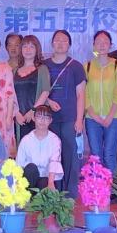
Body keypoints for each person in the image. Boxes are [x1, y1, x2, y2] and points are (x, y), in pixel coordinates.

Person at [38, 30, 86, 197]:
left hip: (69, 118)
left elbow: (81, 95)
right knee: (51, 155)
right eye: (57, 40)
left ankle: (70, 193)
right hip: (47, 119)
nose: (60, 43)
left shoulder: (76, 66)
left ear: (69, 45)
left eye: (64, 41)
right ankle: (52, 192)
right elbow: (39, 91)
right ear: (52, 43)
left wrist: (79, 119)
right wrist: (48, 101)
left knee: (70, 155)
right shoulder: (43, 65)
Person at [84, 30, 117, 174]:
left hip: (113, 117)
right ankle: (96, 186)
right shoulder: (87, 66)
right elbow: (84, 94)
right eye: (98, 42)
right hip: (92, 118)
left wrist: (110, 116)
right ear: (93, 45)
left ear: (111, 45)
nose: (102, 45)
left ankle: (112, 186)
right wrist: (94, 116)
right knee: (96, 156)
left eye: (105, 42)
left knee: (109, 155)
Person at [16, 104, 64, 191]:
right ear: (33, 118)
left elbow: (54, 162)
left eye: (46, 117)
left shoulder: (55, 140)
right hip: (29, 178)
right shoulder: (26, 140)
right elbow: (19, 164)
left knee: (44, 184)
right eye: (39, 116)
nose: (42, 120)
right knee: (31, 168)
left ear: (50, 120)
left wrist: (50, 183)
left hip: (47, 177)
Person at [13, 34, 50, 142]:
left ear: (37, 49)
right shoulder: (14, 71)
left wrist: (33, 110)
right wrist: (16, 113)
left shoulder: (42, 69)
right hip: (19, 117)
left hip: (36, 116)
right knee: (20, 146)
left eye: (31, 46)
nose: (28, 50)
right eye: (25, 46)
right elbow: (10, 94)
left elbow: (45, 92)